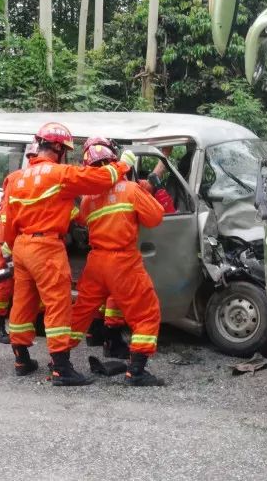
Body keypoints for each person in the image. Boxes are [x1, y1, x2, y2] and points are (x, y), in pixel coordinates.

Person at [3, 122, 130, 385]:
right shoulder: (60, 174)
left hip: (22, 246)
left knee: (23, 302)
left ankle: (21, 359)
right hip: (46, 248)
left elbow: (8, 221)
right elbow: (100, 179)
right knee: (57, 304)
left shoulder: (17, 178)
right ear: (59, 148)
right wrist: (123, 165)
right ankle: (61, 368)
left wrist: (10, 248)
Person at [68, 137, 166, 386]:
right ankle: (137, 371)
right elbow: (155, 218)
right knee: (146, 314)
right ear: (115, 160)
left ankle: (60, 359)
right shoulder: (131, 190)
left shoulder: (89, 198)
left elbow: (81, 220)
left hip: (96, 262)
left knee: (80, 313)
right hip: (123, 262)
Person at [0, 142, 39, 344]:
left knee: (25, 283)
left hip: (19, 237)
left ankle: (30, 325)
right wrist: (7, 241)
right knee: (4, 282)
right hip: (8, 237)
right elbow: (7, 213)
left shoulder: (32, 178)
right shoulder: (18, 178)